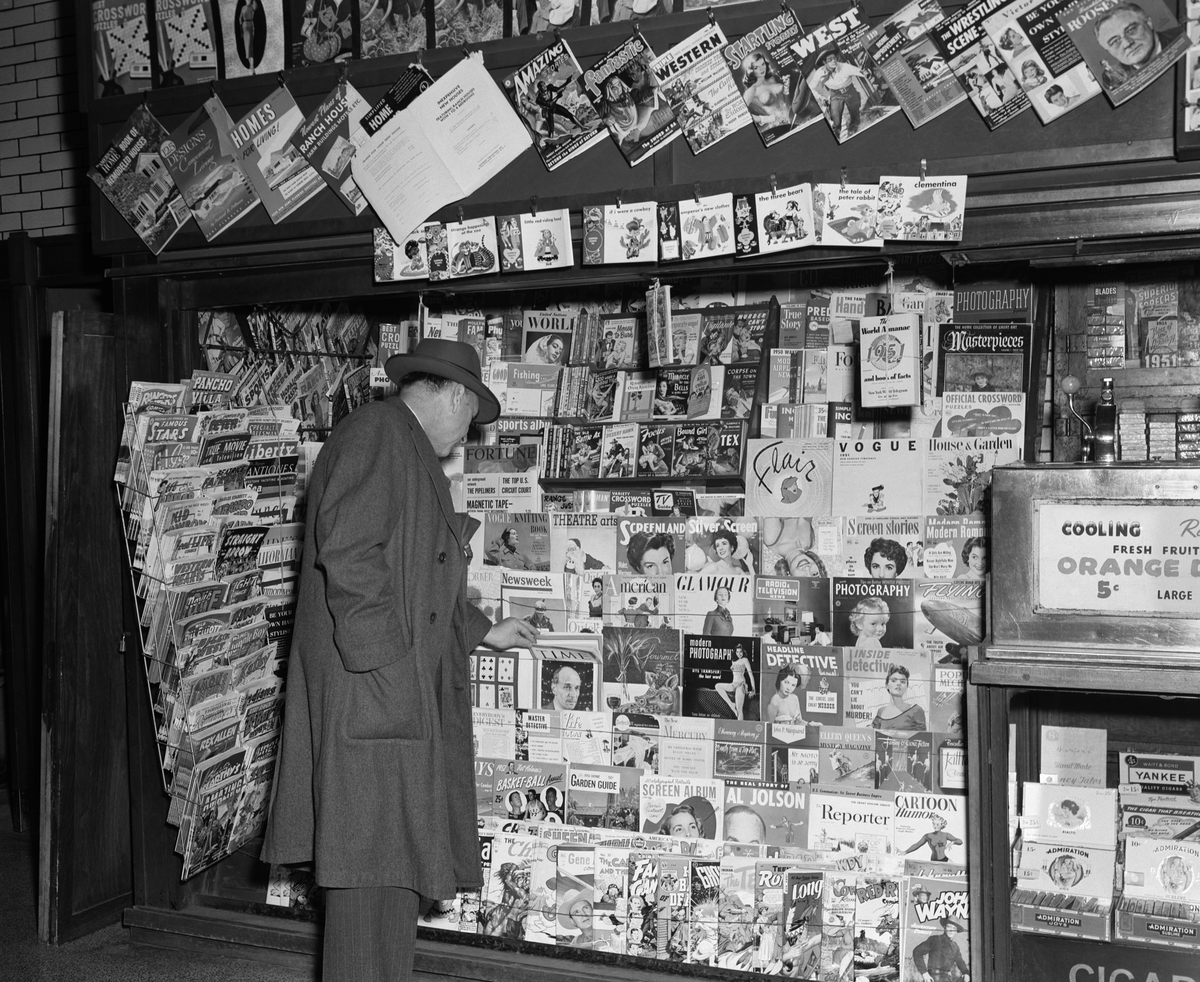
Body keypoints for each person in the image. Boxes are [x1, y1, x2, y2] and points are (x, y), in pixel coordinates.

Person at [262, 338, 540, 982]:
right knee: (370, 878)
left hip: (384, 694)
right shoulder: (376, 435)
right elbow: (352, 558)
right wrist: (388, 676)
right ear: (456, 394)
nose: (465, 432)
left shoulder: (395, 441)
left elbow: (414, 577)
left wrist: (483, 630)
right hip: (374, 698)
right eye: (471, 416)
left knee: (389, 878)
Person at [1094, 2, 1183, 87]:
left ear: (1149, 23)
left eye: (1130, 30)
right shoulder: (1119, 81)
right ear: (1109, 51)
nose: (1127, 43)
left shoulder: (1183, 35)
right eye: (1115, 41)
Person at [810, 50, 868, 139]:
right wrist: (820, 97)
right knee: (835, 120)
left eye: (834, 58)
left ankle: (853, 133)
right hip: (835, 95)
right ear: (824, 62)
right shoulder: (819, 72)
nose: (834, 61)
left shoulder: (845, 67)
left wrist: (866, 73)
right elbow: (811, 88)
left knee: (855, 116)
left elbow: (860, 72)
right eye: (830, 59)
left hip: (850, 92)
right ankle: (836, 136)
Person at [910, 916, 970, 982]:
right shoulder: (935, 939)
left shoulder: (955, 946)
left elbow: (960, 962)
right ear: (944, 927)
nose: (951, 930)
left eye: (954, 928)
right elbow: (917, 952)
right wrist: (925, 973)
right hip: (933, 978)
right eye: (949, 927)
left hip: (947, 979)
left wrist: (966, 973)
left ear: (956, 931)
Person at [872, 663, 928, 731]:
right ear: (886, 685)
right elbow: (873, 735)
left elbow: (924, 738)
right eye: (893, 680)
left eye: (903, 682)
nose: (898, 684)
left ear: (907, 686)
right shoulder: (881, 712)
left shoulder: (916, 710)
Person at [715, 643, 755, 719]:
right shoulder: (733, 661)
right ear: (735, 652)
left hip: (741, 685)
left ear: (743, 652)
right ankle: (731, 705)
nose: (739, 654)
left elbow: (751, 675)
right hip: (733, 684)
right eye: (737, 652)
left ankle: (740, 728)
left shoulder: (745, 660)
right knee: (717, 686)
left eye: (741, 652)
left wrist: (753, 689)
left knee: (739, 710)